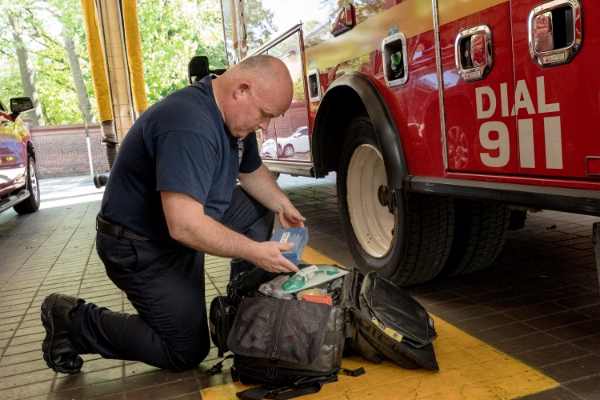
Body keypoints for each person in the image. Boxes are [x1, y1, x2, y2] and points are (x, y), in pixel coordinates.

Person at [40, 55, 306, 374]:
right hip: (141, 246)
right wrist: (255, 252)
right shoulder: (189, 124)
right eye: (264, 115)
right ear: (242, 90)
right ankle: (73, 322)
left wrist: (283, 205)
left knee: (258, 206)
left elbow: (250, 172)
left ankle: (244, 319)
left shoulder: (235, 118)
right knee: (185, 351)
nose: (264, 126)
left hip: (181, 227)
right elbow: (184, 225)